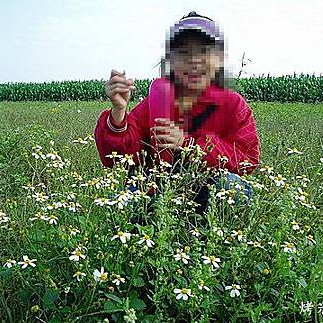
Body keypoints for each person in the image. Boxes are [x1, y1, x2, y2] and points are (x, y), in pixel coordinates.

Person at [94, 11, 260, 213]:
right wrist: (119, 113)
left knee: (234, 187)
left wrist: (189, 146)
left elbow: (247, 160)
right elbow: (116, 160)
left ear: (219, 60)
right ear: (170, 61)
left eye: (203, 51)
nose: (194, 60)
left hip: (207, 193)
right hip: (159, 194)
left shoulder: (233, 105)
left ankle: (211, 237)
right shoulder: (153, 104)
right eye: (183, 52)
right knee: (119, 201)